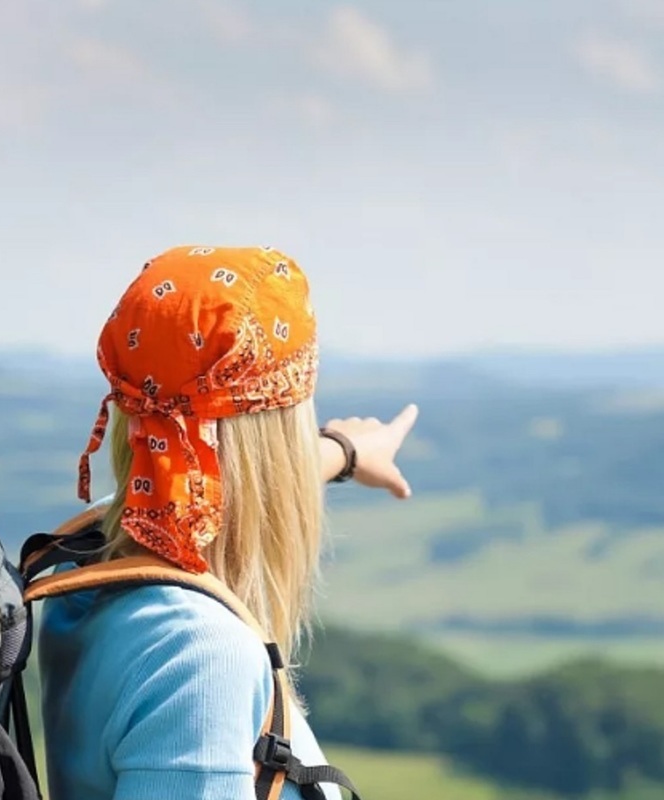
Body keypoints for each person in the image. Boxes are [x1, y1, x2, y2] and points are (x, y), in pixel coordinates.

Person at [36, 244, 419, 799]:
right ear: (277, 438)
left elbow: (209, 466)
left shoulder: (96, 561)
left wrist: (344, 450)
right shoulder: (201, 656)